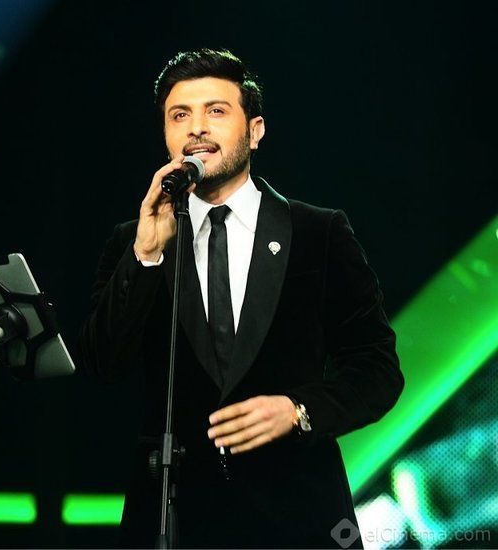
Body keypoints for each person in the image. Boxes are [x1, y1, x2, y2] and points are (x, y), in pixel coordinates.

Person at [79, 48, 404, 548]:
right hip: (173, 520)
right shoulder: (134, 241)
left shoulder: (318, 233)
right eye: (180, 115)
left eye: (216, 111)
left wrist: (298, 410)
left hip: (297, 518)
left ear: (255, 131)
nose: (196, 128)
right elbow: (102, 363)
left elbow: (377, 371)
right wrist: (146, 255)